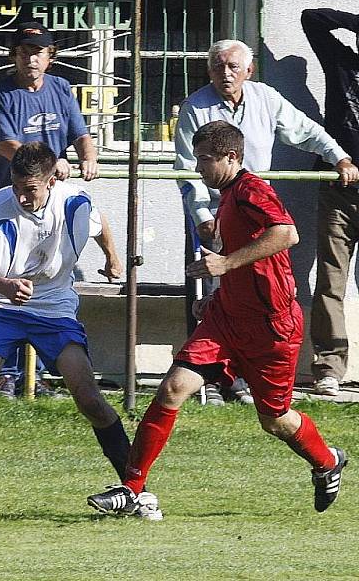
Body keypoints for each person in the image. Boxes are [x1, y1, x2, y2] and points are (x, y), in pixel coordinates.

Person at [88, 122, 348, 517]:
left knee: (274, 420)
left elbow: (286, 233)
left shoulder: (251, 190)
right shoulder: (226, 197)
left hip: (272, 327)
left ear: (232, 157)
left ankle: (327, 462)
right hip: (227, 320)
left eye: (206, 159)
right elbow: (243, 262)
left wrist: (225, 264)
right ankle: (131, 487)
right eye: (197, 158)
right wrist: (215, 298)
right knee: (173, 388)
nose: (199, 167)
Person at [0, 142, 163, 524]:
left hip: (53, 308)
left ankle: (136, 489)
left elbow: (99, 224)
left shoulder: (73, 203)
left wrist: (112, 257)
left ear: (51, 181)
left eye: (31, 189)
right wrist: (3, 286)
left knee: (88, 396)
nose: (22, 196)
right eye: (17, 186)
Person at [174, 38, 359, 404]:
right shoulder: (196, 106)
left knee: (253, 295)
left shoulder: (265, 97)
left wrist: (339, 158)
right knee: (210, 293)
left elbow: (306, 131)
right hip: (214, 211)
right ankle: (209, 380)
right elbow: (186, 168)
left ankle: (243, 375)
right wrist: (201, 217)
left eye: (232, 66)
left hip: (256, 213)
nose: (224, 74)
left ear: (248, 70)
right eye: (217, 67)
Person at [0, 21, 106, 397]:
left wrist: (89, 156)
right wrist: (51, 163)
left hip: (54, 201)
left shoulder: (61, 88)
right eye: (24, 52)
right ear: (14, 56)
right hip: (14, 197)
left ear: (50, 57)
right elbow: (6, 144)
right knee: (8, 280)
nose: (31, 59)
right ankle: (6, 373)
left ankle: (50, 374)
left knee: (50, 282)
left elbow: (80, 132)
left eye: (38, 52)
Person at [302, 9, 359, 397]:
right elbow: (311, 18)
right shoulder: (341, 61)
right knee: (330, 281)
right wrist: (356, 21)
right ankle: (329, 369)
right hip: (340, 191)